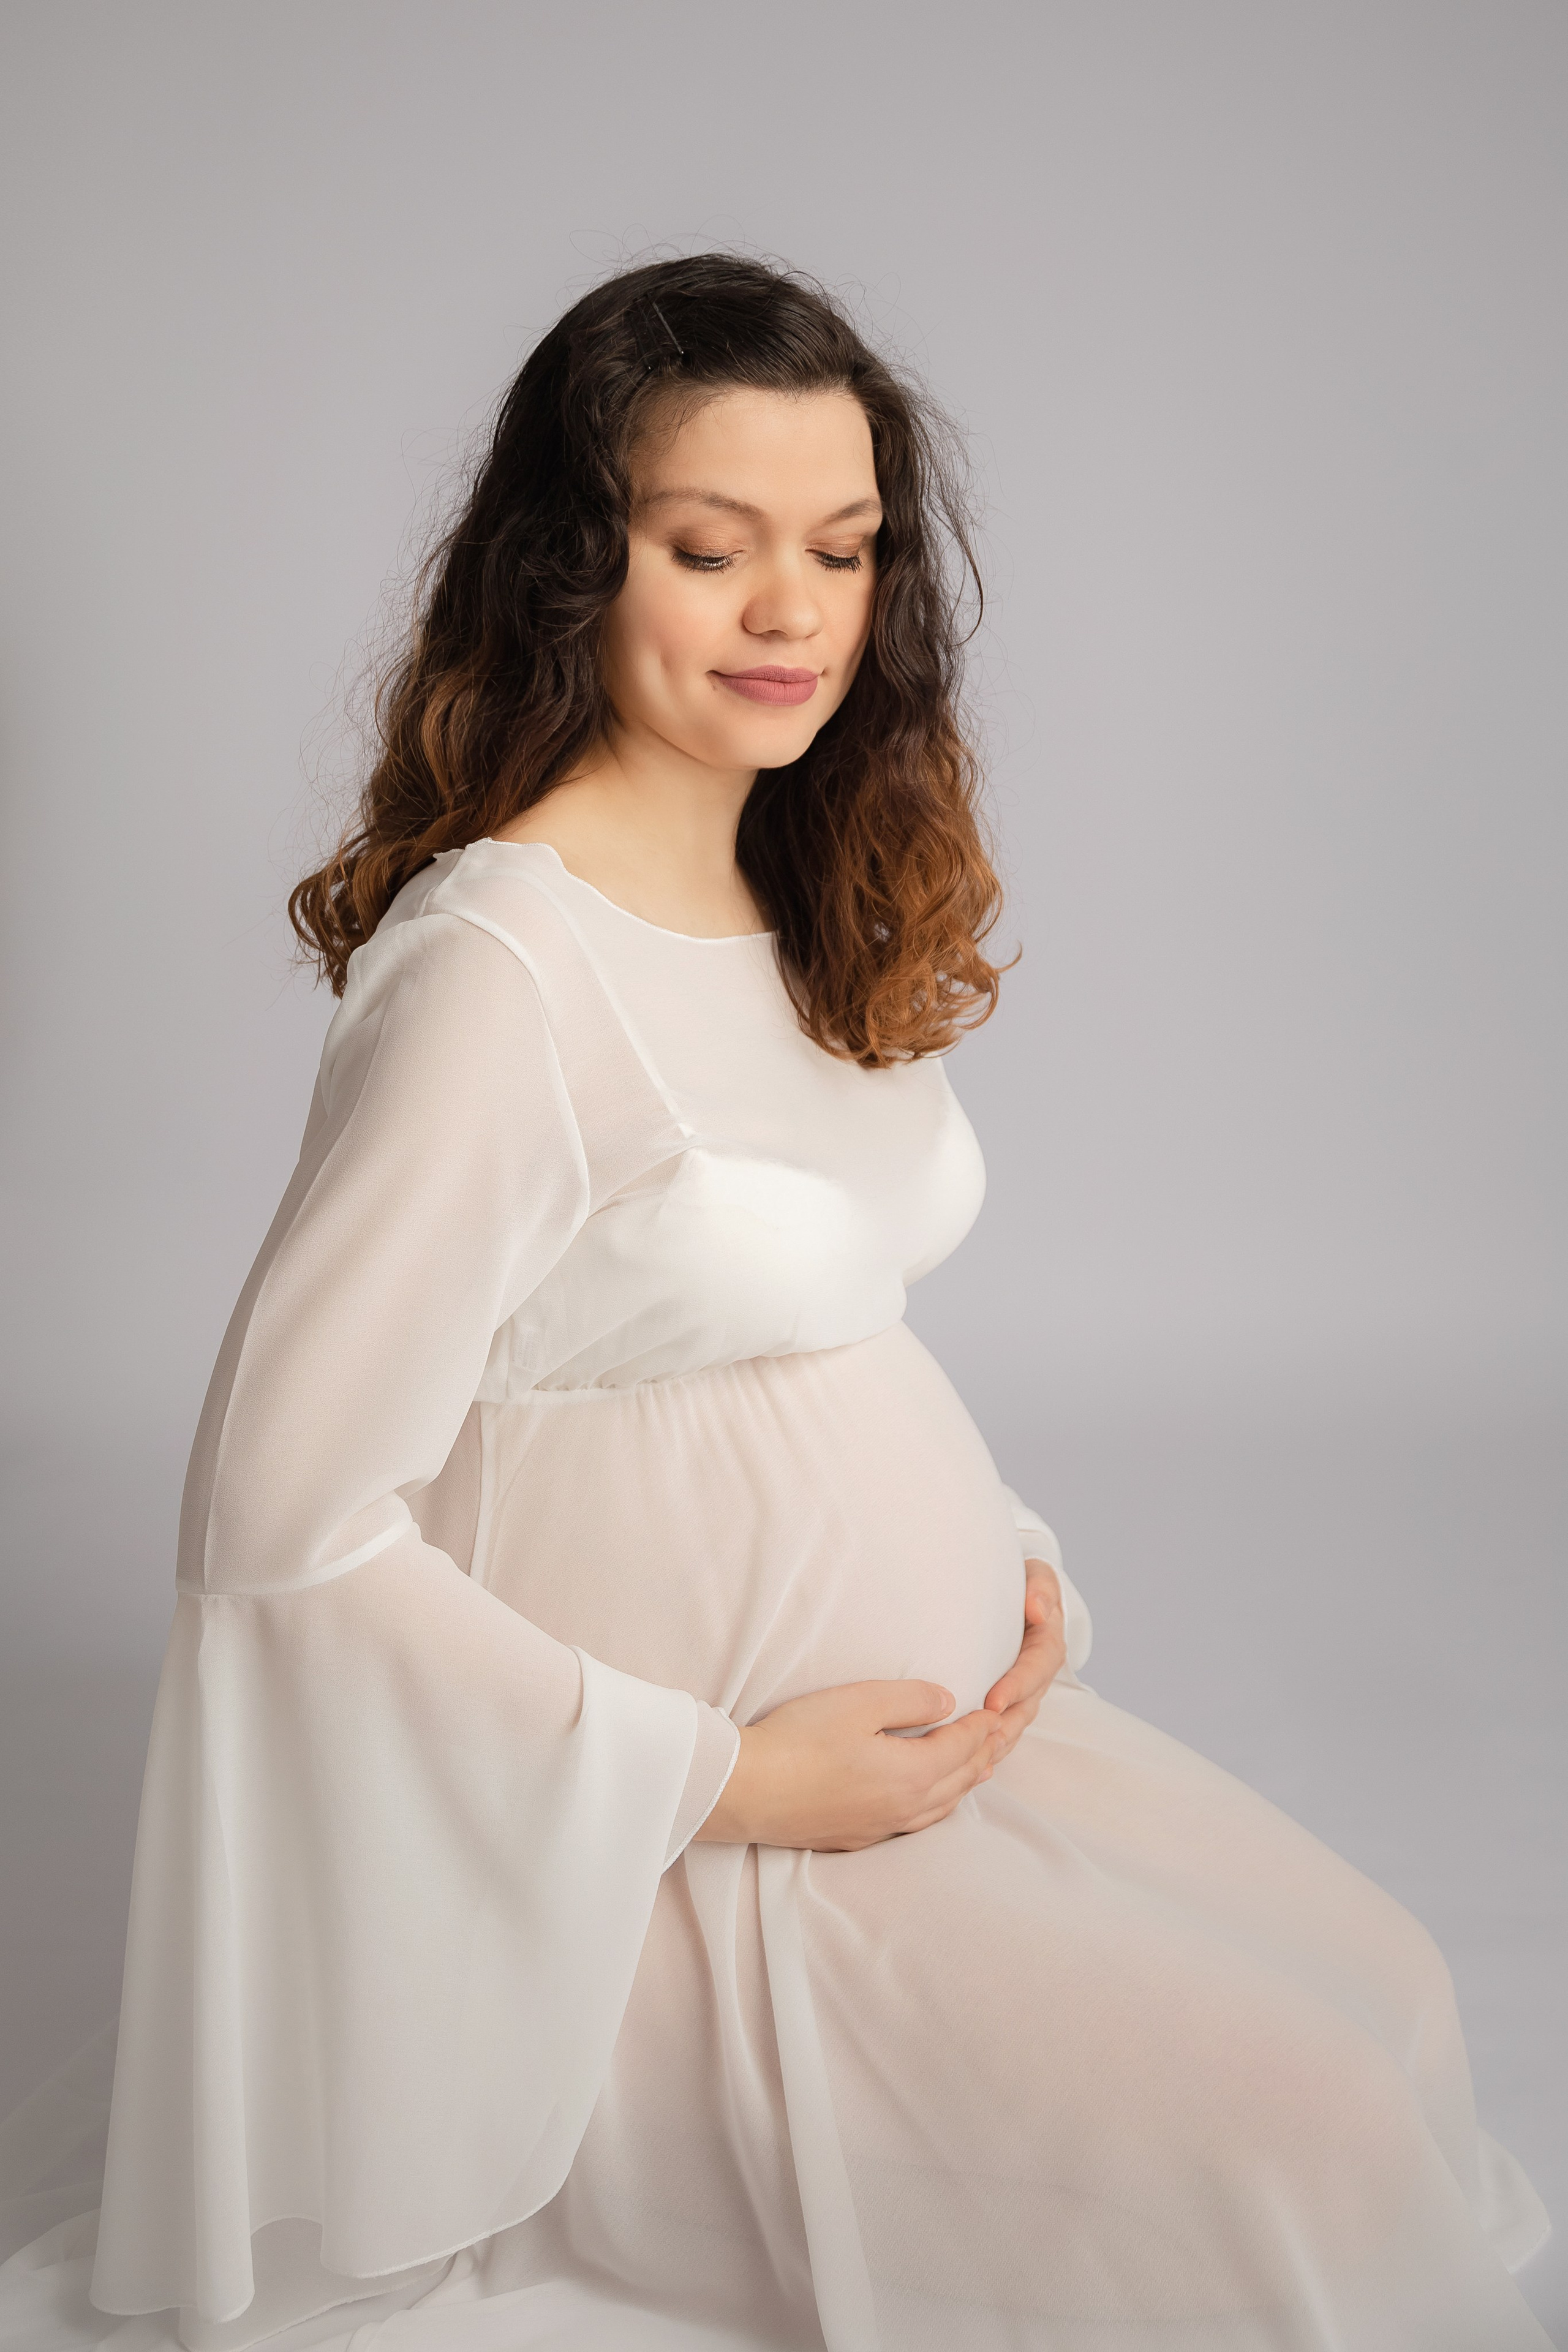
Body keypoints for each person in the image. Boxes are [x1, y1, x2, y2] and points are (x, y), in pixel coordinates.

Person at [1, 255, 1551, 2352]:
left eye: (841, 549)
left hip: (934, 1766)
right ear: (569, 570)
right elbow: (277, 1525)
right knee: (1313, 2153)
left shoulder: (797, 884)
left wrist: (997, 1558)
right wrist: (725, 1782)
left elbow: (797, 1332)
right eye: (708, 548)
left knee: (1396, 2012)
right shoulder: (501, 977)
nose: (789, 612)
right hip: (647, 1880)